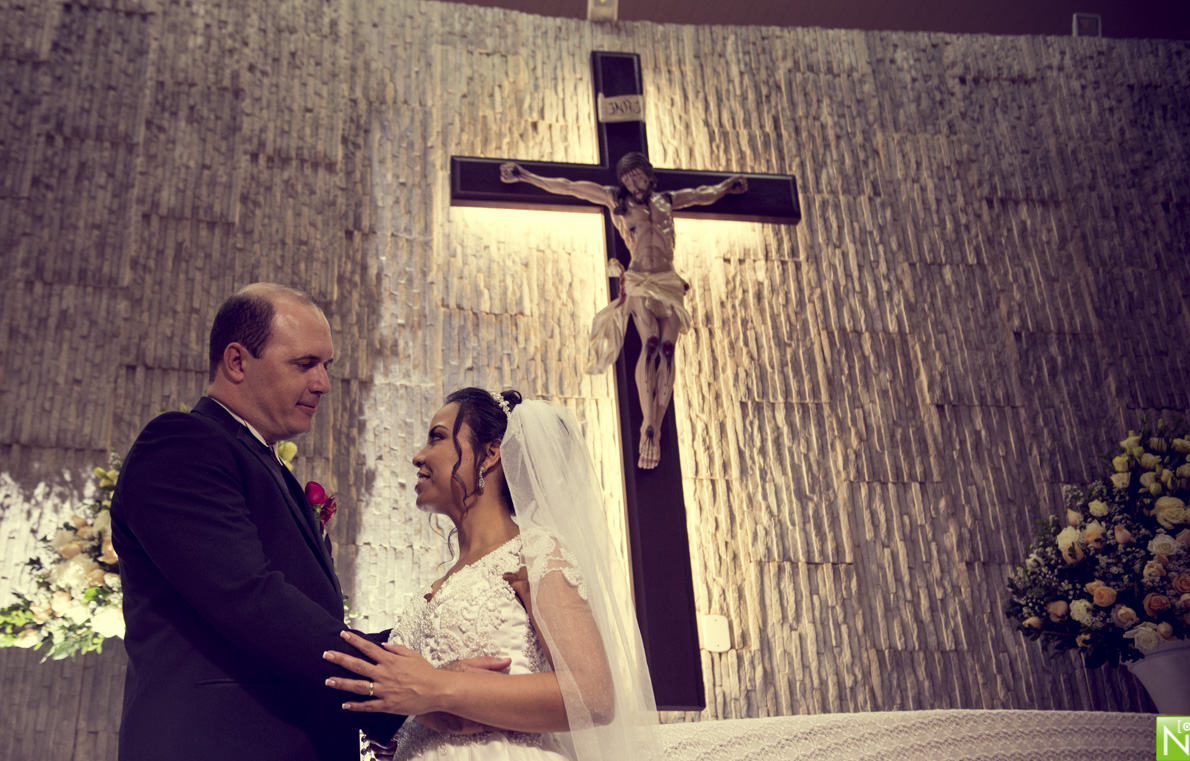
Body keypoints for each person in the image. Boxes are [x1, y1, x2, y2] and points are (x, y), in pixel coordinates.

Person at [110, 284, 503, 761]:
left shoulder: (272, 468)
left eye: (326, 366)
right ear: (237, 362)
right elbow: (250, 598)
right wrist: (402, 692)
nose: (323, 383)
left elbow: (308, 615)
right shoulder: (182, 444)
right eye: (305, 364)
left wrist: (430, 665)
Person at [321, 388, 662, 761]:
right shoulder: (435, 586)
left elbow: (595, 695)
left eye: (436, 437)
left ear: (490, 453)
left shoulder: (534, 553)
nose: (418, 455)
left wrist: (440, 686)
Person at [499, 154, 748, 469]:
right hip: (640, 279)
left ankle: (655, 426)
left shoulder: (668, 201)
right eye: (626, 178)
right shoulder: (613, 199)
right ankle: (648, 421)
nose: (632, 183)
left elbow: (703, 193)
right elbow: (568, 187)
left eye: (637, 176)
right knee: (652, 343)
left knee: (669, 350)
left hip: (669, 280)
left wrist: (728, 185)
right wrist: (525, 175)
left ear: (648, 175)